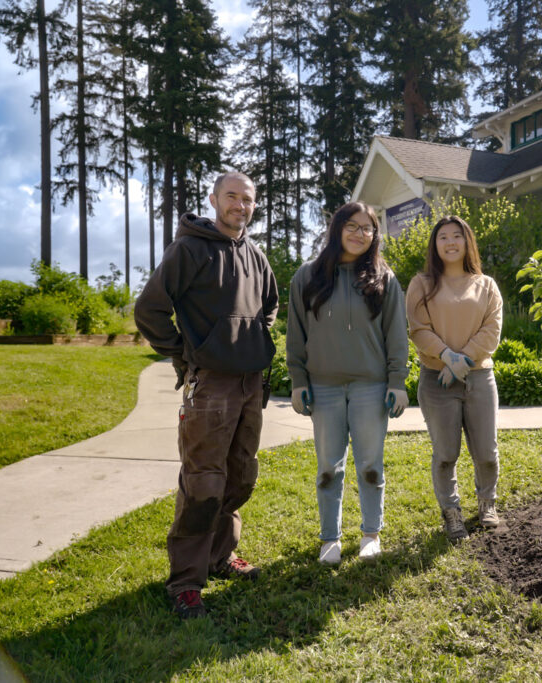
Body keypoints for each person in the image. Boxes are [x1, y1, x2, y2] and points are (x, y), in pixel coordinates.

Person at [134, 172, 278, 619]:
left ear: (254, 206)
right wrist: (185, 352)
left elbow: (270, 305)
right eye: (231, 196)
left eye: (247, 199)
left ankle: (220, 556)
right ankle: (186, 581)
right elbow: (150, 309)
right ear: (214, 199)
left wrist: (256, 338)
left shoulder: (256, 254)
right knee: (203, 482)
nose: (239, 205)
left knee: (240, 475)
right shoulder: (189, 249)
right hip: (210, 384)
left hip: (250, 382)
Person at [287, 201, 409, 565]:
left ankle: (371, 534)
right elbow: (296, 333)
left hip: (371, 388)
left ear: (375, 235)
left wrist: (397, 381)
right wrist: (297, 379)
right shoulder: (307, 277)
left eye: (368, 228)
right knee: (328, 467)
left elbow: (396, 334)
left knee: (371, 463)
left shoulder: (383, 278)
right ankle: (330, 539)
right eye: (352, 226)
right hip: (323, 388)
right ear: (338, 228)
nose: (360, 234)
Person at [405, 215, 503, 543]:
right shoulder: (421, 283)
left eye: (457, 236)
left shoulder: (486, 285)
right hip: (437, 381)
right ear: (435, 244)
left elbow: (492, 330)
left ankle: (487, 503)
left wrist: (461, 363)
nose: (450, 242)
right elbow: (418, 328)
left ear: (467, 242)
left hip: (479, 379)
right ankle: (451, 512)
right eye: (443, 237)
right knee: (446, 454)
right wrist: (447, 357)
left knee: (486, 452)